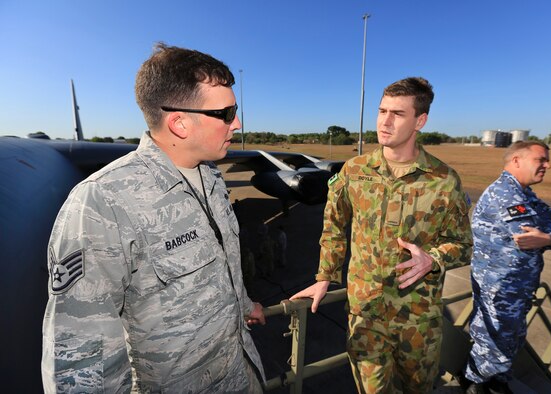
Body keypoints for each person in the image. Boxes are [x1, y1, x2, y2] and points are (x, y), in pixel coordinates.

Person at [42, 43, 266, 393]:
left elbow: (219, 262)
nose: (236, 123)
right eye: (226, 113)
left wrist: (244, 304)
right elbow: (82, 357)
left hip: (241, 374)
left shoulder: (210, 179)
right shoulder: (103, 203)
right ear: (179, 123)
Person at [290, 77, 473, 393]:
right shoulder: (354, 171)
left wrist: (433, 259)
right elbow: (334, 227)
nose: (384, 122)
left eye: (397, 114)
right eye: (381, 110)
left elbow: (463, 244)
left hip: (419, 323)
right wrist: (325, 276)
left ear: (420, 120)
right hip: (366, 317)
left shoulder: (444, 180)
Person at [461, 141, 551, 394]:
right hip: (500, 289)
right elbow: (528, 235)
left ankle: (496, 379)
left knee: (511, 338)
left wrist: (550, 238)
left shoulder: (524, 194)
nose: (547, 165)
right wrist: (548, 238)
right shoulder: (506, 195)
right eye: (540, 159)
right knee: (495, 340)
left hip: (515, 287)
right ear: (516, 161)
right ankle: (476, 383)